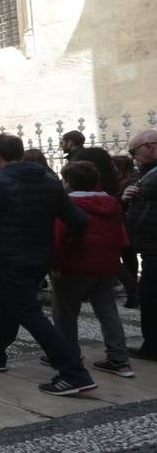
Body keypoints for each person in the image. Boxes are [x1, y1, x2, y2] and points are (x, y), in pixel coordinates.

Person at [0, 133, 96, 396]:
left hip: (11, 257)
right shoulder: (49, 179)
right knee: (9, 306)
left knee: (30, 313)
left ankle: (73, 372)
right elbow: (77, 220)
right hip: (40, 257)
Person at [52, 160, 132, 377]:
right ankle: (119, 358)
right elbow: (120, 235)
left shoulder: (67, 205)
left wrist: (56, 265)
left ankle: (69, 357)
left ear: (68, 181)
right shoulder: (111, 202)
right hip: (106, 263)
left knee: (65, 313)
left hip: (75, 264)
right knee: (107, 310)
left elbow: (60, 238)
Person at [123, 129, 157, 361]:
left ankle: (152, 347)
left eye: (134, 152)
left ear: (151, 146)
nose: (133, 158)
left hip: (154, 247)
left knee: (151, 296)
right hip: (149, 245)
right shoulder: (148, 174)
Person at [111, 153, 140, 308]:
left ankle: (133, 291)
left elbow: (123, 204)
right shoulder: (120, 182)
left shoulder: (130, 182)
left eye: (114, 166)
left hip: (127, 226)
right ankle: (133, 289)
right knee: (127, 259)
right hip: (122, 226)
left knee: (127, 258)